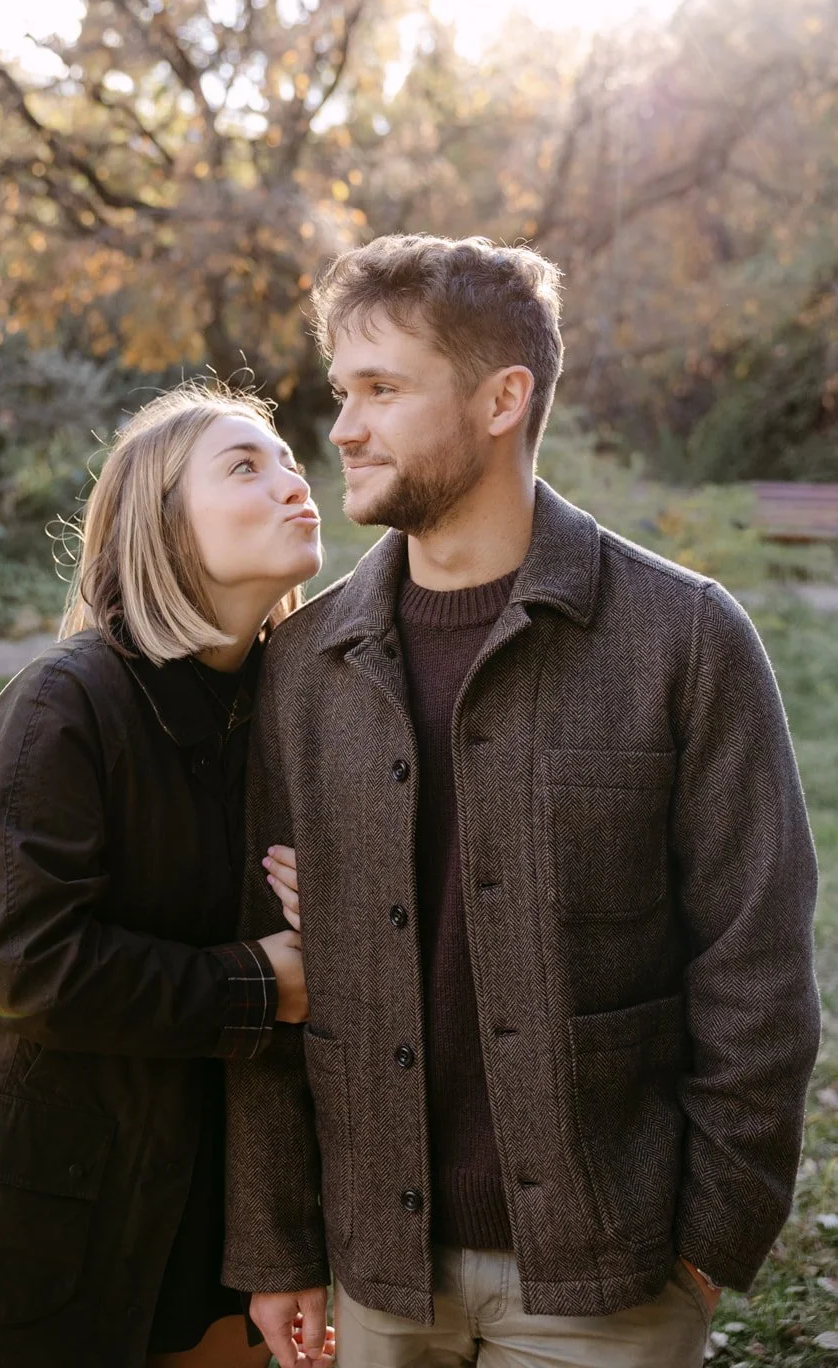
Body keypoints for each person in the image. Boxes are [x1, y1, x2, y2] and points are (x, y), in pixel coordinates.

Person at [223, 234, 820, 1368]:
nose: (342, 428)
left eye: (382, 390)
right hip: (374, 1270)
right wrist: (278, 1244)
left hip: (608, 1275)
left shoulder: (683, 639)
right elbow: (266, 974)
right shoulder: (302, 664)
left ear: (502, 399)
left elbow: (756, 961)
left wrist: (708, 1236)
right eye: (341, 393)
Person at [0, 383, 322, 1368]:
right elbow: (30, 967)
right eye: (245, 464)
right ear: (161, 523)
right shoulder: (62, 708)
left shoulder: (292, 709)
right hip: (40, 1211)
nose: (292, 481)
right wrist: (262, 983)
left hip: (207, 1206)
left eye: (287, 458)